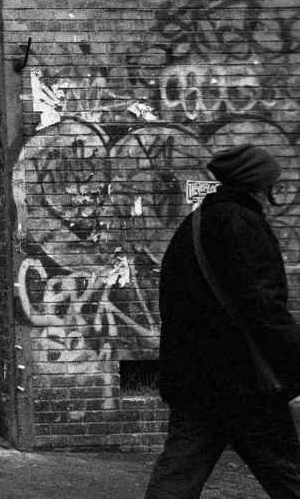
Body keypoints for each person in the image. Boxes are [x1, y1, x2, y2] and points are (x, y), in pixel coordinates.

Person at [146, 144, 300, 498]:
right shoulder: (242, 224)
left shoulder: (195, 224)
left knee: (177, 477)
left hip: (193, 379)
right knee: (287, 472)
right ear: (258, 187)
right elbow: (264, 307)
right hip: (242, 383)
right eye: (273, 185)